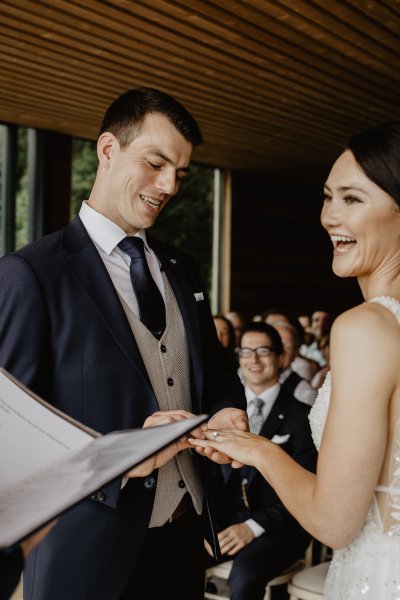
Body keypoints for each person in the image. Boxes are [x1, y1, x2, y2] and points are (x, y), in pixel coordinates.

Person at [0, 87, 247, 600]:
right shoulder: (31, 274)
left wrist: (225, 410)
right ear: (108, 150)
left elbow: (216, 373)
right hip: (85, 548)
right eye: (156, 163)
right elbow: (11, 440)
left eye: (180, 174)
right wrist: (118, 457)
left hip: (185, 532)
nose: (169, 186)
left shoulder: (182, 268)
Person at [191, 122, 400, 599]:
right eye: (328, 197)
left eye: (351, 199)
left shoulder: (366, 328)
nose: (329, 216)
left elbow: (334, 522)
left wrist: (258, 449)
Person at [207, 322, 316, 599]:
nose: (253, 359)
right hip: (228, 521)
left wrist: (251, 528)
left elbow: (309, 485)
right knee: (177, 556)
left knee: (244, 574)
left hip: (281, 527)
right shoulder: (223, 412)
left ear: (281, 358)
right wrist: (208, 526)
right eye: (246, 351)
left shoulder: (303, 417)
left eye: (263, 351)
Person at [272, 321, 317, 406]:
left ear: (296, 352)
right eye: (275, 343)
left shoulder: (305, 394)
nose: (280, 350)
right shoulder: (246, 380)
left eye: (287, 346)